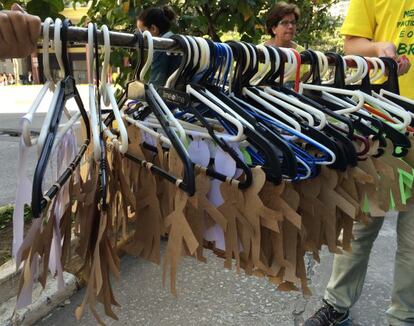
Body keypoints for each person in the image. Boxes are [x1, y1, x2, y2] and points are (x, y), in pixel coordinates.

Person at [304, 1, 414, 326]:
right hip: (383, 118)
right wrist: (380, 48)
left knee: (413, 238)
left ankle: (403, 318)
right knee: (361, 222)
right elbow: (352, 44)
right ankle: (336, 306)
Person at [136, 5, 181, 88]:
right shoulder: (178, 42)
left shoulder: (161, 49)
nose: (140, 37)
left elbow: (156, 86)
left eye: (142, 32)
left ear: (153, 29)